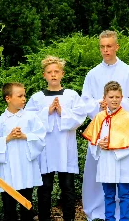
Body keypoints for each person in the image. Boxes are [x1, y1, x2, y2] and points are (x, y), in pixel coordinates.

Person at [81, 30, 129, 220]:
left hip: (124, 130)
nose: (105, 50)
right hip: (102, 129)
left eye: (109, 46)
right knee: (103, 177)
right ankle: (101, 210)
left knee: (124, 179)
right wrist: (99, 105)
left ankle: (126, 212)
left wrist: (116, 107)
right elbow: (85, 101)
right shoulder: (92, 74)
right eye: (102, 47)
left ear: (117, 47)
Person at [25, 56, 86, 221]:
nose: (53, 75)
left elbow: (81, 116)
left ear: (62, 74)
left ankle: (69, 218)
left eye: (56, 72)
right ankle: (44, 218)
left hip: (65, 148)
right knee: (45, 187)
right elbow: (27, 119)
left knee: (68, 187)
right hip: (45, 149)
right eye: (49, 72)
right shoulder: (37, 98)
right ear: (43, 75)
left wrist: (62, 112)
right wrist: (47, 111)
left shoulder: (71, 95)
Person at [82, 81, 129, 221]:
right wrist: (99, 144)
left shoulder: (128, 118)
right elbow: (92, 140)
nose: (114, 100)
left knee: (124, 194)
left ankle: (124, 218)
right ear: (104, 98)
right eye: (111, 97)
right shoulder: (99, 117)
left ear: (122, 97)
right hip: (106, 162)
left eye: (117, 97)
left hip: (122, 162)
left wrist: (115, 148)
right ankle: (110, 218)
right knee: (108, 194)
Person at [0, 82, 46, 221]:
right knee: (9, 208)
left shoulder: (31, 118)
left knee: (26, 204)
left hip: (26, 169)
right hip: (8, 170)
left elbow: (41, 138)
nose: (24, 98)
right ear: (8, 98)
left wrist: (25, 136)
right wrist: (8, 138)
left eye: (24, 95)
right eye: (20, 96)